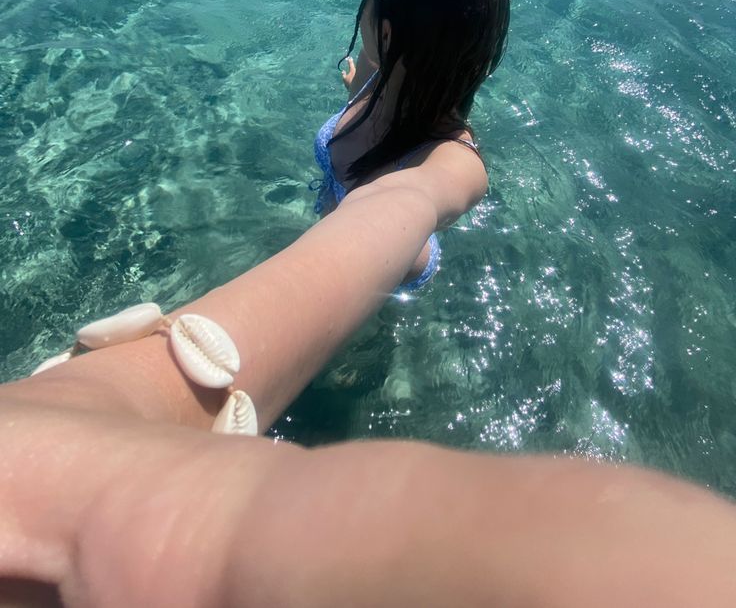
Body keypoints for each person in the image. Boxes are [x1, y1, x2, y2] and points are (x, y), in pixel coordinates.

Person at [1, 172, 735, 606]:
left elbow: (193, 529)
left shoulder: (44, 472)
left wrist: (426, 185)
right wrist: (435, 179)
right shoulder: (55, 464)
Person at [313, 0, 510, 289]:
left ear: (387, 34)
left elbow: (424, 195)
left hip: (378, 307)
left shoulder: (454, 162)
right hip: (327, 251)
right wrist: (355, 94)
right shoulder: (378, 71)